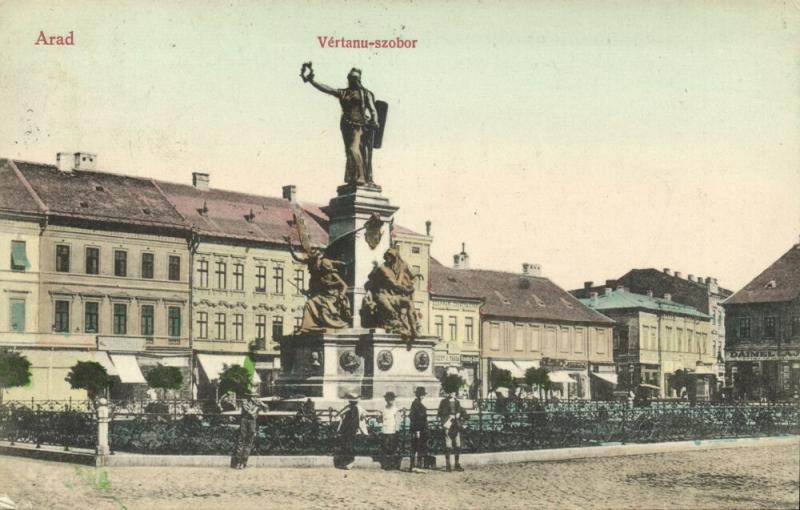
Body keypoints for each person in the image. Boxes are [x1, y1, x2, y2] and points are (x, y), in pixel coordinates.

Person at [304, 66, 380, 186]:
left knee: (353, 149)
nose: (353, 79)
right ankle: (353, 177)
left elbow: (373, 109)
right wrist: (312, 81)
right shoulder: (343, 92)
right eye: (351, 77)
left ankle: (361, 176)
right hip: (346, 125)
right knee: (349, 152)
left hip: (359, 126)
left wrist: (375, 120)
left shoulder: (365, 93)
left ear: (359, 79)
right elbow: (327, 89)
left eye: (355, 77)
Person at [362, 248, 419, 338]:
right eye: (387, 255)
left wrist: (412, 282)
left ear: (395, 257)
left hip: (393, 296)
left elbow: (410, 276)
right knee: (390, 310)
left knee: (409, 303)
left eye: (391, 256)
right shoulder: (382, 268)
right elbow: (394, 284)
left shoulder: (399, 267)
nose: (389, 258)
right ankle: (398, 327)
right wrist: (407, 290)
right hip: (381, 295)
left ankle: (414, 329)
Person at [231, 391, 269, 469]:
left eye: (256, 396)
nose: (255, 398)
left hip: (252, 422)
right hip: (244, 421)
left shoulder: (257, 403)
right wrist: (257, 406)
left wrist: (262, 404)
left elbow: (266, 410)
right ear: (249, 397)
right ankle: (238, 461)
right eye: (253, 396)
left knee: (249, 442)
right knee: (241, 441)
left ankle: (243, 462)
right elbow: (250, 412)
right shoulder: (245, 402)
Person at [336, 393, 369, 469]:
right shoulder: (347, 408)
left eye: (354, 401)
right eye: (352, 401)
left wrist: (363, 417)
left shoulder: (359, 408)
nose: (353, 403)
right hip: (346, 429)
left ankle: (350, 462)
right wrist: (341, 416)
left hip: (353, 429)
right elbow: (339, 415)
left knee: (350, 446)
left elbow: (364, 415)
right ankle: (345, 462)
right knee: (345, 446)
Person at [438, 390, 468, 472]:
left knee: (458, 445)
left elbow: (462, 411)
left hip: (456, 425)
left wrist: (459, 414)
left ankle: (457, 464)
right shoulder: (444, 401)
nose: (453, 394)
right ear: (448, 393)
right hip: (448, 424)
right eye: (451, 392)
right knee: (448, 446)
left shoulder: (457, 402)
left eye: (454, 392)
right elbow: (440, 412)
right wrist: (448, 415)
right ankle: (448, 465)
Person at [409, 386, 429, 472]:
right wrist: (417, 430)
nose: (422, 396)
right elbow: (414, 417)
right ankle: (413, 466)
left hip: (422, 428)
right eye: (421, 395)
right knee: (416, 446)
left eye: (423, 395)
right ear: (418, 395)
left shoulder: (418, 403)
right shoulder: (416, 404)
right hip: (418, 429)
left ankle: (417, 465)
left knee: (419, 446)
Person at [379, 391, 400, 469]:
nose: (390, 400)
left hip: (392, 431)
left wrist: (397, 430)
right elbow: (381, 419)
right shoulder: (383, 409)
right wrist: (379, 418)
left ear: (393, 400)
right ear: (386, 399)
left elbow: (398, 421)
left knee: (392, 448)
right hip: (385, 430)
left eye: (391, 399)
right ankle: (385, 463)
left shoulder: (395, 409)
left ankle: (392, 463)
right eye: (388, 399)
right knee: (385, 447)